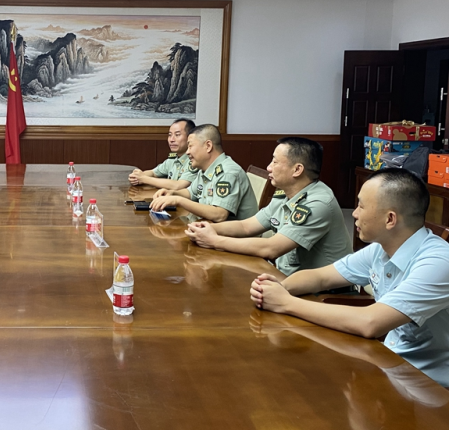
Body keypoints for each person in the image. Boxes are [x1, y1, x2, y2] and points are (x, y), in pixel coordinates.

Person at [251, 169, 449, 387]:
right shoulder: (380, 249)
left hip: (432, 388)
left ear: (390, 219)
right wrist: (276, 287)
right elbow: (321, 277)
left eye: (361, 206)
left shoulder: (439, 262)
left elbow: (370, 322)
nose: (354, 214)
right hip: (390, 365)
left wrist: (285, 303)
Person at [186, 137, 351, 276]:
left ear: (297, 170)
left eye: (275, 162)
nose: (269, 167)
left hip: (321, 295)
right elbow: (246, 227)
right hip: (286, 279)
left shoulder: (318, 203)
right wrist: (207, 228)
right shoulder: (285, 194)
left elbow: (271, 248)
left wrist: (214, 241)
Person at [150, 124, 257, 222]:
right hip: (209, 229)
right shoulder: (205, 169)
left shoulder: (228, 172)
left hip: (232, 235)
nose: (187, 152)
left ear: (208, 146)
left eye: (190, 146)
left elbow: (219, 214)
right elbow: (191, 193)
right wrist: (171, 193)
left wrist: (178, 200)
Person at [128, 119, 198, 190]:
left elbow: (177, 186)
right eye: (170, 135)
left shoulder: (195, 161)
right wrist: (137, 176)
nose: (171, 139)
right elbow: (153, 173)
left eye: (177, 135)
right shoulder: (172, 160)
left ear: (190, 138)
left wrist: (143, 179)